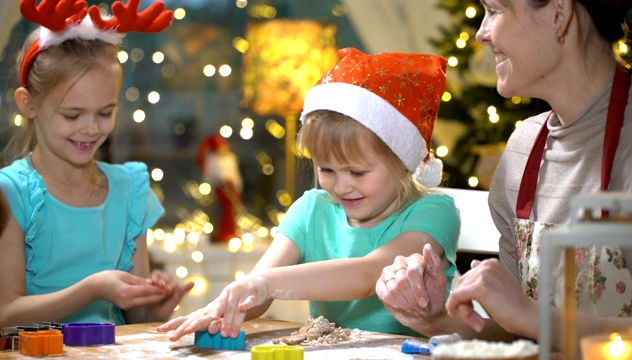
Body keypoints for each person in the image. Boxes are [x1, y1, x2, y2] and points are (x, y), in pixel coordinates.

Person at [376, 0, 632, 348]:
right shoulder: (523, 148)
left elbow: (531, 321)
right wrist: (433, 316)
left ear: (559, 14)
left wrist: (533, 317)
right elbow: (518, 334)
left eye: (495, 10)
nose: (482, 33)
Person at [157, 47, 461, 340]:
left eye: (357, 172)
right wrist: (221, 308)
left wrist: (263, 283)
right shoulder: (311, 209)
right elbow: (259, 290)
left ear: (402, 163)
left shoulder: (433, 212)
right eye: (326, 170)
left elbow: (366, 275)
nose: (341, 187)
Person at [0, 0, 193, 327]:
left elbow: (134, 317)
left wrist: (154, 309)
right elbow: (5, 314)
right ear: (28, 104)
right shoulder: (11, 193)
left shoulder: (130, 191)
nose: (91, 128)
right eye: (72, 115)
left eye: (105, 112)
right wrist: (92, 289)